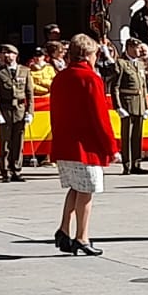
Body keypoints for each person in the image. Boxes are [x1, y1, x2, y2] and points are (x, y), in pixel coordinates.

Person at [49, 34, 117, 257]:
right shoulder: (90, 78)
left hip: (65, 142)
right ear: (88, 55)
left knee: (75, 187)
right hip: (85, 146)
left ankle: (63, 229)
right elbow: (100, 117)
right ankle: (82, 237)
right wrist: (111, 146)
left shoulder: (60, 77)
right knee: (87, 190)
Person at [0, 44, 32, 182]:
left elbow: (29, 94)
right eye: (4, 53)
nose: (7, 56)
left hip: (19, 109)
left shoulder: (25, 71)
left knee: (18, 142)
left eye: (10, 53)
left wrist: (29, 112)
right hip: (5, 109)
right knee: (5, 142)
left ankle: (17, 170)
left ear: (16, 55)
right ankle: (5, 171)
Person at [110, 36, 148, 175]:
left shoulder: (140, 64)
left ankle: (136, 163)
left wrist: (147, 106)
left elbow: (144, 87)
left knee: (137, 136)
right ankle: (127, 165)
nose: (139, 50)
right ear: (128, 48)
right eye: (136, 47)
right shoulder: (121, 63)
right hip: (127, 103)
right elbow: (115, 87)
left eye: (139, 47)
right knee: (126, 136)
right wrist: (118, 106)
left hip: (139, 104)